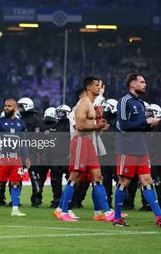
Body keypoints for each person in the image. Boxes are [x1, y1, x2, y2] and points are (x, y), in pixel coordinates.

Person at [113, 74, 161, 227]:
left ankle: (159, 216)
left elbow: (139, 126)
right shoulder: (124, 101)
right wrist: (145, 121)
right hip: (127, 147)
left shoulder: (140, 103)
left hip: (141, 147)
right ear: (132, 84)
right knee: (124, 181)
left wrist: (149, 125)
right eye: (142, 82)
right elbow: (122, 125)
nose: (145, 84)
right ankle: (117, 218)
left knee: (147, 181)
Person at [55, 77, 114, 222]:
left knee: (98, 177)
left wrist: (100, 128)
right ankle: (62, 212)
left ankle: (106, 212)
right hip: (81, 142)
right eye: (96, 86)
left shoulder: (91, 104)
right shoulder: (83, 103)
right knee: (75, 177)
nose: (98, 88)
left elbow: (89, 126)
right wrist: (97, 126)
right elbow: (80, 127)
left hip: (89, 143)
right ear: (88, 88)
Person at [0, 98, 30, 216]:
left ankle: (15, 209)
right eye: (5, 105)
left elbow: (23, 141)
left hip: (16, 158)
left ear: (15, 108)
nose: (6, 108)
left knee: (16, 183)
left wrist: (26, 157)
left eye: (9, 106)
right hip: (2, 157)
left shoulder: (20, 123)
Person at [18, 97, 44, 207]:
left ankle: (36, 199)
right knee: (17, 175)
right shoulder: (17, 120)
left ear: (27, 106)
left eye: (21, 106)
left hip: (32, 152)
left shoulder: (36, 121)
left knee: (34, 176)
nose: (19, 108)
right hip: (19, 151)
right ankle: (16, 200)